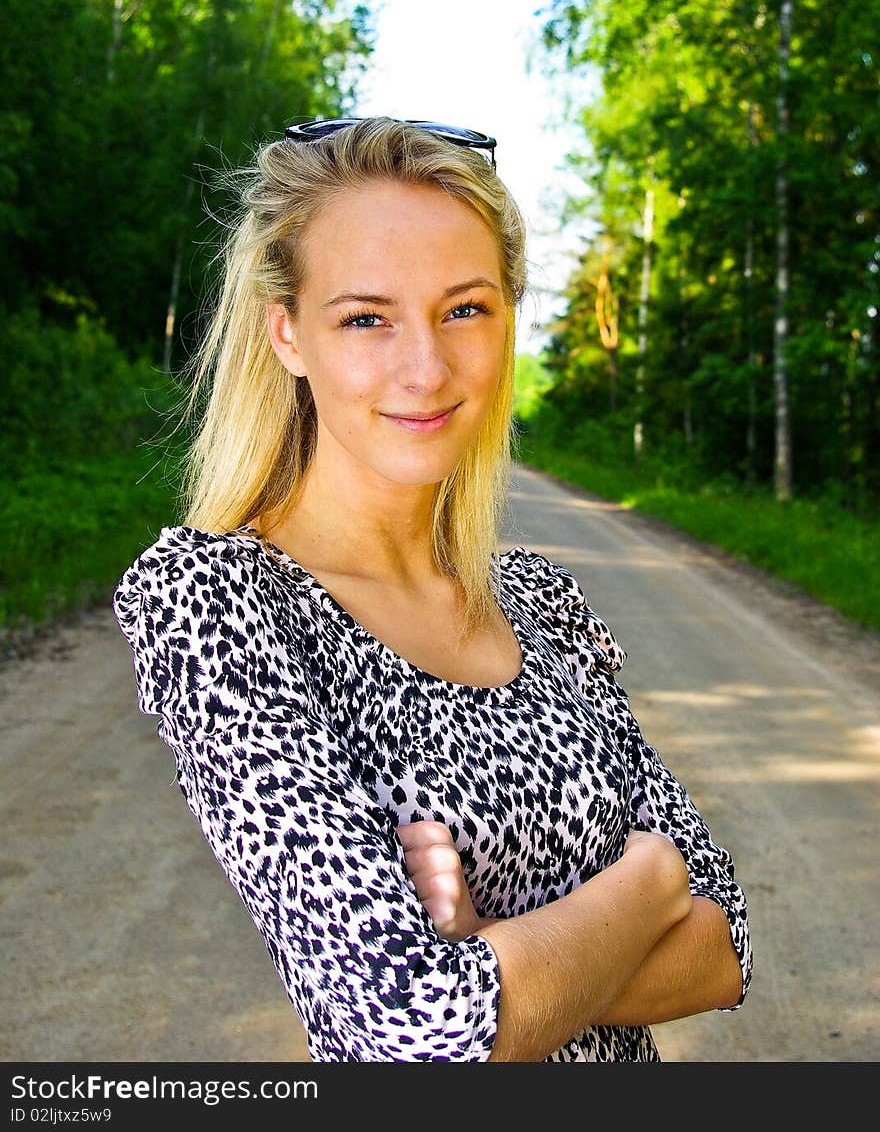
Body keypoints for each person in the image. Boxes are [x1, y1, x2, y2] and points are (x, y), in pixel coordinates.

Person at [113, 115, 752, 1063]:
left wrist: (490, 956)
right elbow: (414, 1031)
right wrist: (648, 884)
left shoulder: (541, 602)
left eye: (464, 309)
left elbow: (724, 948)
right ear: (287, 332)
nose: (427, 368)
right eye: (367, 317)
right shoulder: (215, 602)